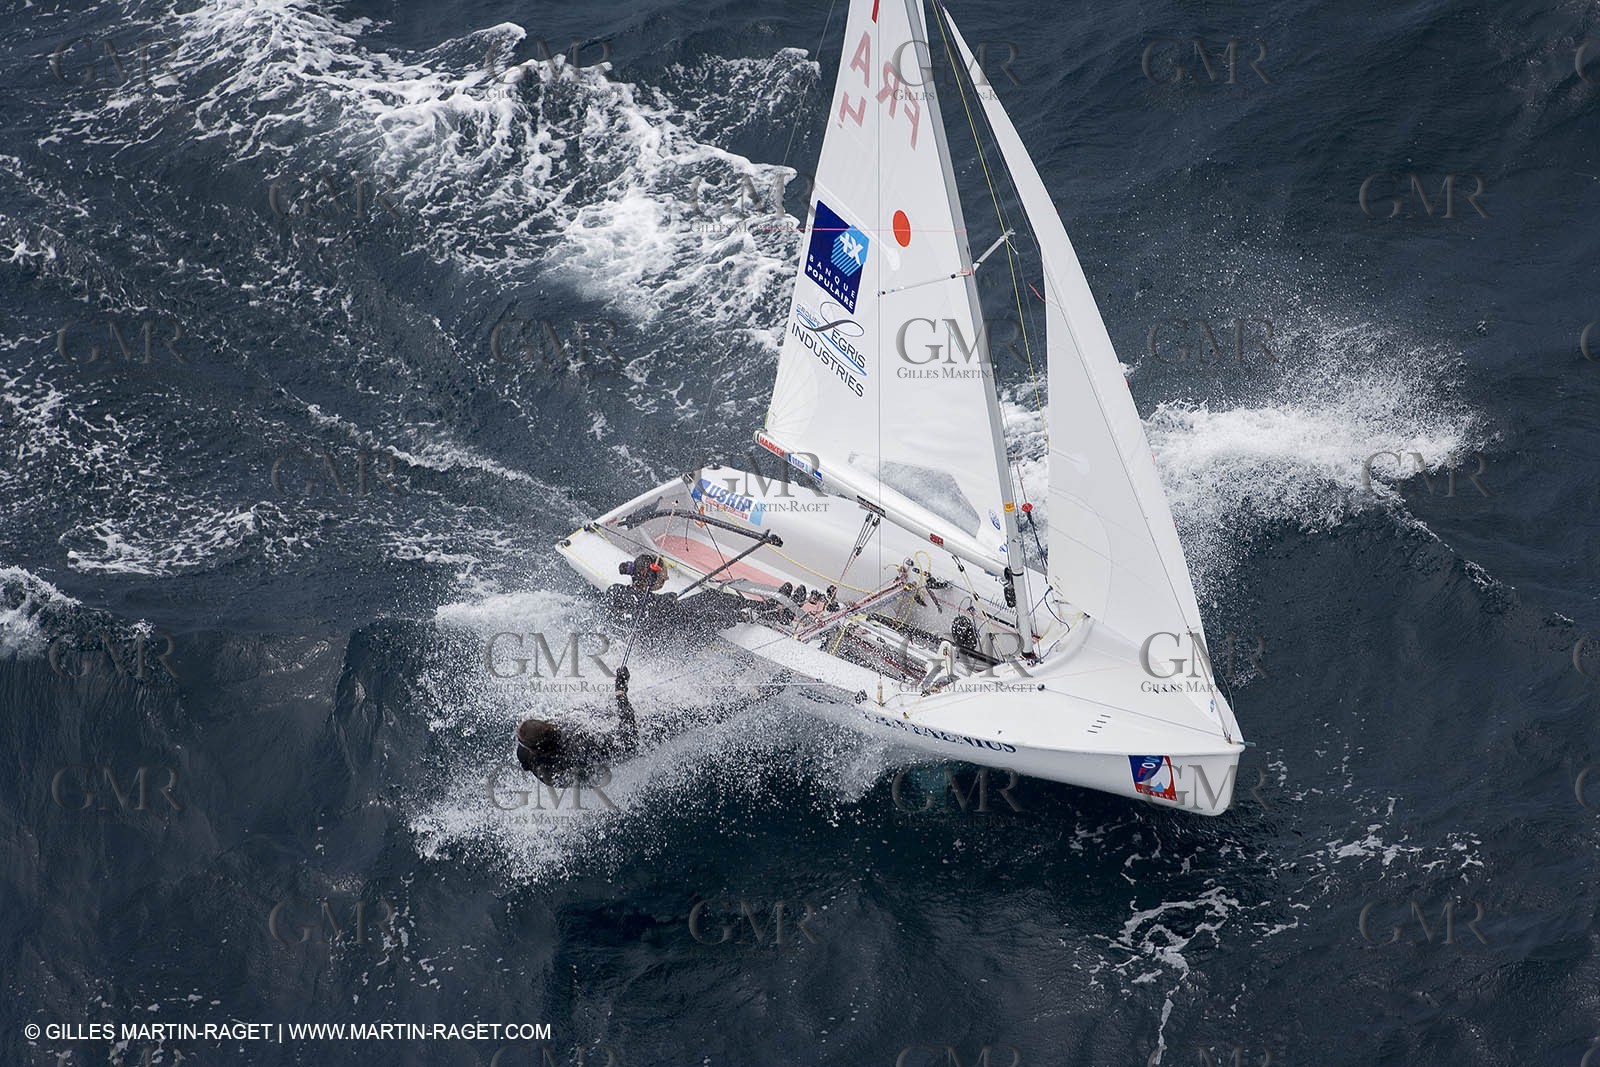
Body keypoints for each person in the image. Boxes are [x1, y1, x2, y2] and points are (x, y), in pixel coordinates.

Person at [514, 666, 639, 785]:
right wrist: (620, 691)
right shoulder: (580, 744)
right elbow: (629, 744)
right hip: (588, 768)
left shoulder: (526, 751)